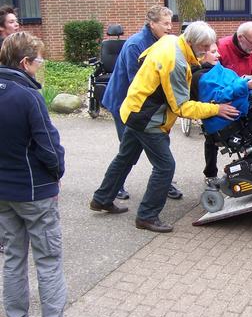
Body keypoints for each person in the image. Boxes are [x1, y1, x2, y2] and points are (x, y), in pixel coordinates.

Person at [90, 22, 239, 233]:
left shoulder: (170, 41)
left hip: (133, 108)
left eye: (209, 47)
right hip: (147, 119)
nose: (207, 51)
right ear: (191, 41)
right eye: (204, 47)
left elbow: (143, 59)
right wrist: (216, 109)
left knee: (125, 157)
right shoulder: (175, 62)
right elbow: (182, 107)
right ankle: (147, 216)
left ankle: (102, 199)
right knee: (165, 166)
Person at [0, 32, 88, 317]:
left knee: (12, 258)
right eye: (38, 61)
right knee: (48, 260)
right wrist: (56, 174)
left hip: (3, 194)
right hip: (35, 192)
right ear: (24, 62)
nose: (40, 66)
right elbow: (49, 147)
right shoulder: (28, 96)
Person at [102, 5, 183, 200]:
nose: (170, 27)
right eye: (165, 23)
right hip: (125, 104)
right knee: (129, 151)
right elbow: (136, 82)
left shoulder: (162, 42)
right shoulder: (135, 45)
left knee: (151, 146)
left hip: (145, 106)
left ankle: (163, 182)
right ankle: (116, 188)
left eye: (170, 23)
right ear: (152, 24)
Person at [199, 21, 252, 180]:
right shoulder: (222, 49)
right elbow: (217, 83)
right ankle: (210, 174)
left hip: (247, 89)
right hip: (229, 96)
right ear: (241, 38)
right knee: (212, 139)